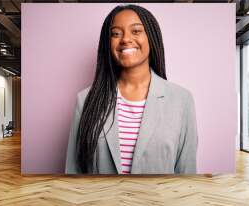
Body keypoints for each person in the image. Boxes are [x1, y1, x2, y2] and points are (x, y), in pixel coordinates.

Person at [65, 4, 197, 174]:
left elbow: (187, 174)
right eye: (116, 33)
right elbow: (73, 171)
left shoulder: (182, 100)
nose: (125, 39)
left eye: (136, 31)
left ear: (151, 37)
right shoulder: (85, 100)